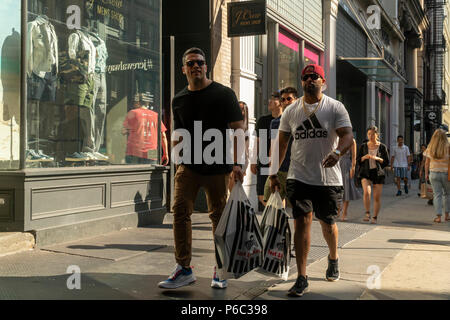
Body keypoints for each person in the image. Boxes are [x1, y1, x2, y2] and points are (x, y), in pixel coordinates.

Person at [158, 47, 244, 290]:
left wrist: (238, 164)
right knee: (180, 211)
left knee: (218, 216)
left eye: (200, 62)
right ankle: (184, 269)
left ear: (206, 66)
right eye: (191, 63)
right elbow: (179, 132)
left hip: (218, 165)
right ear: (184, 69)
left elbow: (238, 129)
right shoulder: (179, 100)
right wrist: (176, 159)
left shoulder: (224, 94)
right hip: (189, 166)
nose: (196, 66)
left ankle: (221, 268)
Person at [270, 64, 354, 297]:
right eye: (306, 77)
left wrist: (338, 154)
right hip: (299, 177)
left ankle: (333, 257)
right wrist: (273, 173)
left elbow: (347, 136)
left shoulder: (335, 107)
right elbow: (282, 144)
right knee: (301, 222)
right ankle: (301, 277)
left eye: (314, 77)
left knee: (327, 223)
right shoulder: (291, 111)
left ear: (323, 81)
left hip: (328, 179)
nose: (309, 80)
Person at [250, 92, 282, 209]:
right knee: (261, 194)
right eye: (270, 98)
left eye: (274, 99)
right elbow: (256, 142)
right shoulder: (262, 120)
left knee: (279, 192)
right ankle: (274, 213)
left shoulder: (285, 120)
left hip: (280, 162)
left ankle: (276, 216)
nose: (270, 101)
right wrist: (253, 161)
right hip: (263, 161)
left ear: (281, 103)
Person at [122, 95, 169, 165]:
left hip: (135, 151)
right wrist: (166, 154)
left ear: (137, 102)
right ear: (147, 103)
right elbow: (163, 136)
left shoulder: (133, 113)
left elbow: (123, 131)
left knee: (133, 175)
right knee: (149, 174)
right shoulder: (156, 115)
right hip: (152, 153)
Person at [356, 126, 390, 224]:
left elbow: (386, 162)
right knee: (366, 192)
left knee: (376, 197)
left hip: (378, 173)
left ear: (377, 134)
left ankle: (374, 217)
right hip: (365, 172)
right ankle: (367, 213)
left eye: (373, 134)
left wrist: (377, 158)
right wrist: (364, 157)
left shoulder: (382, 147)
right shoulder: (363, 146)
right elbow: (358, 160)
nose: (371, 136)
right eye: (369, 134)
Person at [424, 129, 450, 223]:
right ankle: (447, 215)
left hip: (434, 173)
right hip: (447, 174)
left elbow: (427, 163)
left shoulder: (430, 147)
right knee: (448, 194)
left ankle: (438, 217)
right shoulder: (448, 147)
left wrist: (426, 174)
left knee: (437, 195)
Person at [337, 139, 361, 221]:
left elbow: (354, 156)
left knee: (346, 188)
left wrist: (353, 168)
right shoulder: (337, 139)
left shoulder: (352, 141)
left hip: (346, 165)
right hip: (336, 164)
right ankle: (338, 209)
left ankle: (345, 212)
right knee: (336, 188)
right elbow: (335, 152)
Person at [228, 101, 249, 191]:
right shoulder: (229, 125)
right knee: (230, 188)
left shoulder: (246, 128)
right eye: (238, 109)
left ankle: (235, 205)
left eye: (242, 109)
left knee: (234, 188)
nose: (240, 111)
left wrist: (241, 165)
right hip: (229, 158)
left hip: (240, 161)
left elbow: (246, 149)